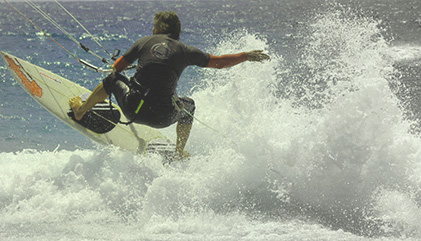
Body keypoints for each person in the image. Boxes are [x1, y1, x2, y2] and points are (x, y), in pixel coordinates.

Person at [69, 11, 269, 160]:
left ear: (162, 28)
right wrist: (245, 56)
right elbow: (219, 63)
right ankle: (178, 153)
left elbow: (117, 67)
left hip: (133, 109)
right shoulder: (186, 50)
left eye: (155, 26)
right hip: (163, 117)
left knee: (112, 79)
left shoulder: (145, 41)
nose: (153, 29)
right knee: (188, 106)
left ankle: (81, 111)